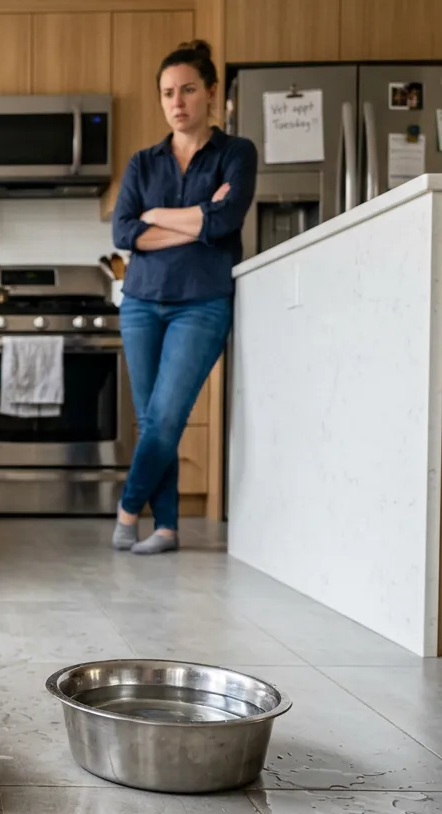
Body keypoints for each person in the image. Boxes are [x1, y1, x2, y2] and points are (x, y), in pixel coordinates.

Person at [109, 39, 257, 555]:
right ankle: (167, 527)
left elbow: (227, 220)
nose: (178, 102)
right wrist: (196, 221)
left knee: (168, 415)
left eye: (189, 89)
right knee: (153, 420)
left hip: (202, 301)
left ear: (211, 93)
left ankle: (128, 511)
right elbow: (123, 233)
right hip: (142, 301)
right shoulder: (142, 163)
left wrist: (157, 219)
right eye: (168, 92)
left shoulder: (235, 154)